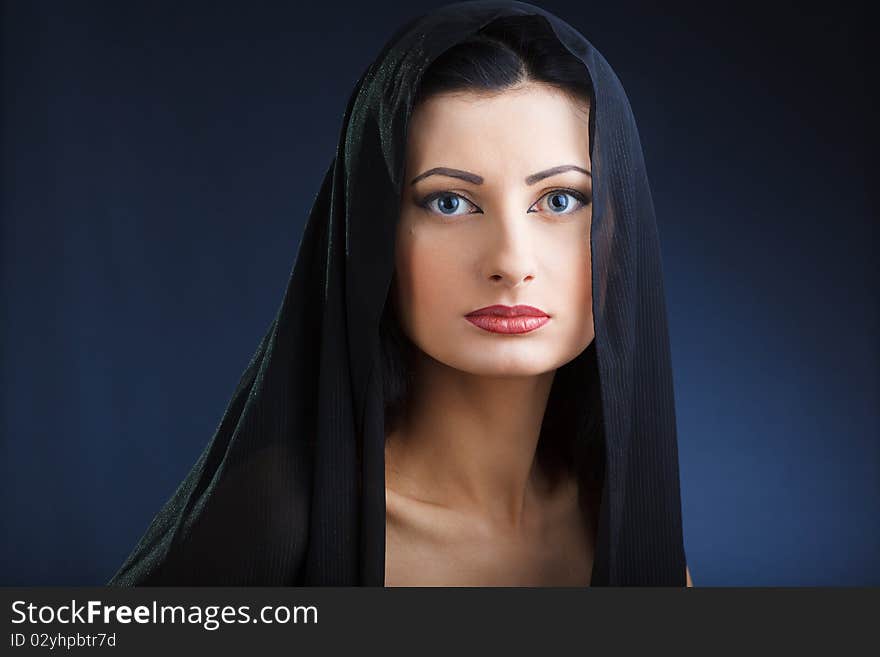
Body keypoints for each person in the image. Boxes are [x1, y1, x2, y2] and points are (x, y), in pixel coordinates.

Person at [107, 0, 693, 587]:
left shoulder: (625, 527)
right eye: (449, 202)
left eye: (561, 200)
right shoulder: (283, 523)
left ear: (623, 227)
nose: (511, 263)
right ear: (371, 231)